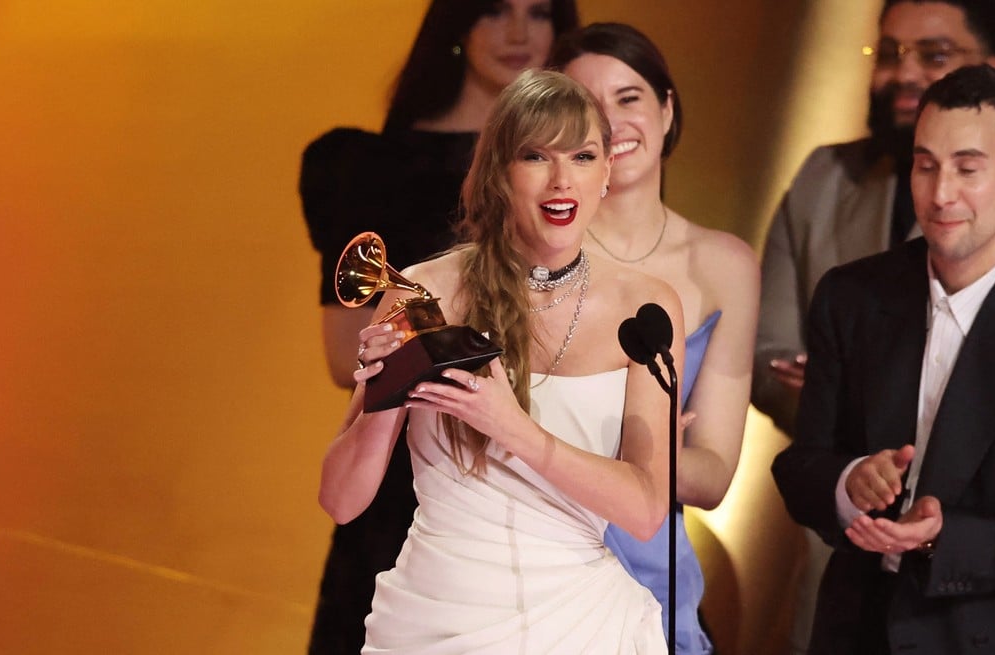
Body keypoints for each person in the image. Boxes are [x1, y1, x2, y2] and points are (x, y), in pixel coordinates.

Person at [750, 0, 995, 645]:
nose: (942, 193)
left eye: (968, 169)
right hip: (857, 621)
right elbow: (802, 464)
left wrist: (943, 534)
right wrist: (848, 480)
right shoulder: (852, 294)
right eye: (926, 167)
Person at [319, 69, 680, 653]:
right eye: (535, 156)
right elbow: (340, 501)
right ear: (498, 172)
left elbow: (645, 512)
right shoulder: (423, 291)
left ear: (607, 172)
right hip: (434, 622)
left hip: (581, 625)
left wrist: (514, 429)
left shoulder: (645, 307)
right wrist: (386, 394)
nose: (561, 179)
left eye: (583, 156)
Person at [298, 2, 580, 652]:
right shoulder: (369, 167)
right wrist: (429, 332)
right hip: (409, 471)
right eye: (494, 10)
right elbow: (344, 354)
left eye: (539, 12)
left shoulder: (579, 172)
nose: (518, 32)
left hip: (542, 481)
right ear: (456, 25)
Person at [550, 22, 758, 653]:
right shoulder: (530, 252)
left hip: (651, 572)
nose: (611, 122)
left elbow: (712, 476)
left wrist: (600, 437)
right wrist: (640, 439)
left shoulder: (725, 265)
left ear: (667, 109)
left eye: (629, 97)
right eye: (587, 105)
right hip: (539, 553)